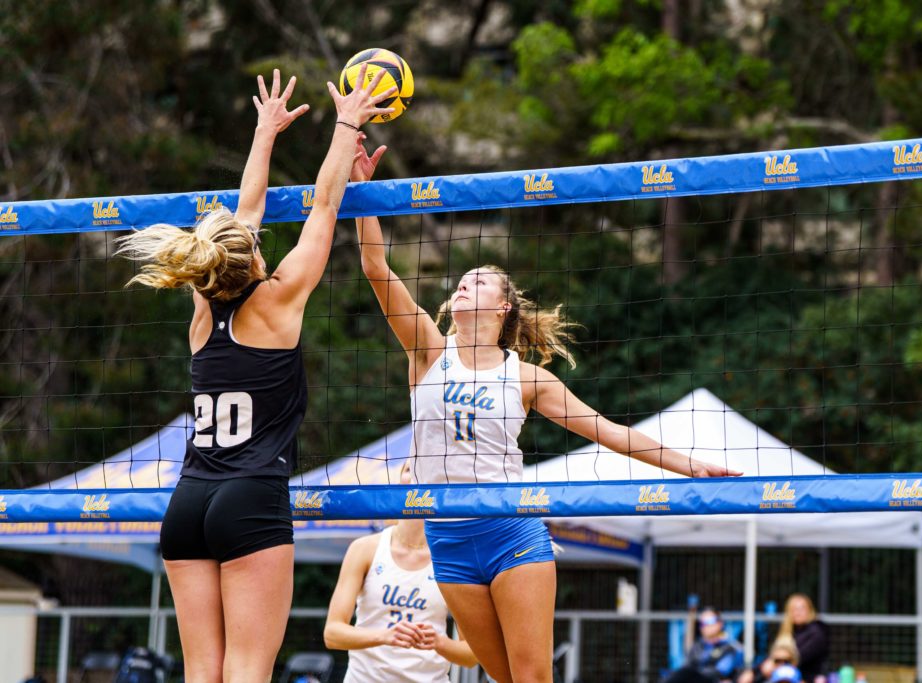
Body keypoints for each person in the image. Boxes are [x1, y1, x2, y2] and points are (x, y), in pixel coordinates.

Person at [352, 145, 741, 683]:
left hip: (510, 529)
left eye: (479, 280)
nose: (464, 283)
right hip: (448, 535)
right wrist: (361, 190)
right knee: (503, 676)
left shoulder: (527, 377)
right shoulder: (427, 350)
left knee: (533, 678)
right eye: (461, 280)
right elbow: (375, 265)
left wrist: (690, 464)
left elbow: (610, 432)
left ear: (502, 306)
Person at [116, 67, 395, 682]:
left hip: (188, 501)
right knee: (247, 670)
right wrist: (346, 123)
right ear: (255, 255)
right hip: (249, 497)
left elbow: (246, 211)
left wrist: (264, 134)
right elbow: (325, 202)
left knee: (203, 673)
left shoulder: (202, 305)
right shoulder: (277, 300)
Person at [324, 462, 478, 682]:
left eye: (424, 470)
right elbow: (332, 634)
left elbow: (471, 655)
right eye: (409, 469)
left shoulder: (452, 558)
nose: (417, 474)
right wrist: (385, 636)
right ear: (399, 481)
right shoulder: (365, 549)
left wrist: (439, 642)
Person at [663, 608, 742, 683]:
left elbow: (720, 672)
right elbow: (687, 666)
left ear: (720, 623)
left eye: (710, 622)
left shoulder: (729, 647)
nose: (706, 627)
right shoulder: (697, 646)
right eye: (702, 624)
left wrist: (694, 674)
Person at [777, 594, 828, 680]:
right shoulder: (788, 631)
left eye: (802, 609)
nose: (798, 612)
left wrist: (777, 660)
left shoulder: (816, 631)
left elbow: (798, 657)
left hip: (810, 677)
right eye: (794, 609)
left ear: (810, 610)